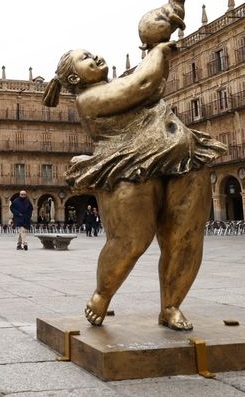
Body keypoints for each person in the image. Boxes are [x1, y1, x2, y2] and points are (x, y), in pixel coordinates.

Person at [43, 42, 226, 330]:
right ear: (75, 79)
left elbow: (154, 84)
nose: (96, 56)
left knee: (186, 238)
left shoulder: (118, 82)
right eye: (86, 58)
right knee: (131, 240)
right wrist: (157, 51)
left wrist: (166, 23)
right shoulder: (89, 98)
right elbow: (142, 84)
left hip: (183, 159)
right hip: (127, 166)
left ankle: (171, 306)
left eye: (93, 52)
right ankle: (103, 293)